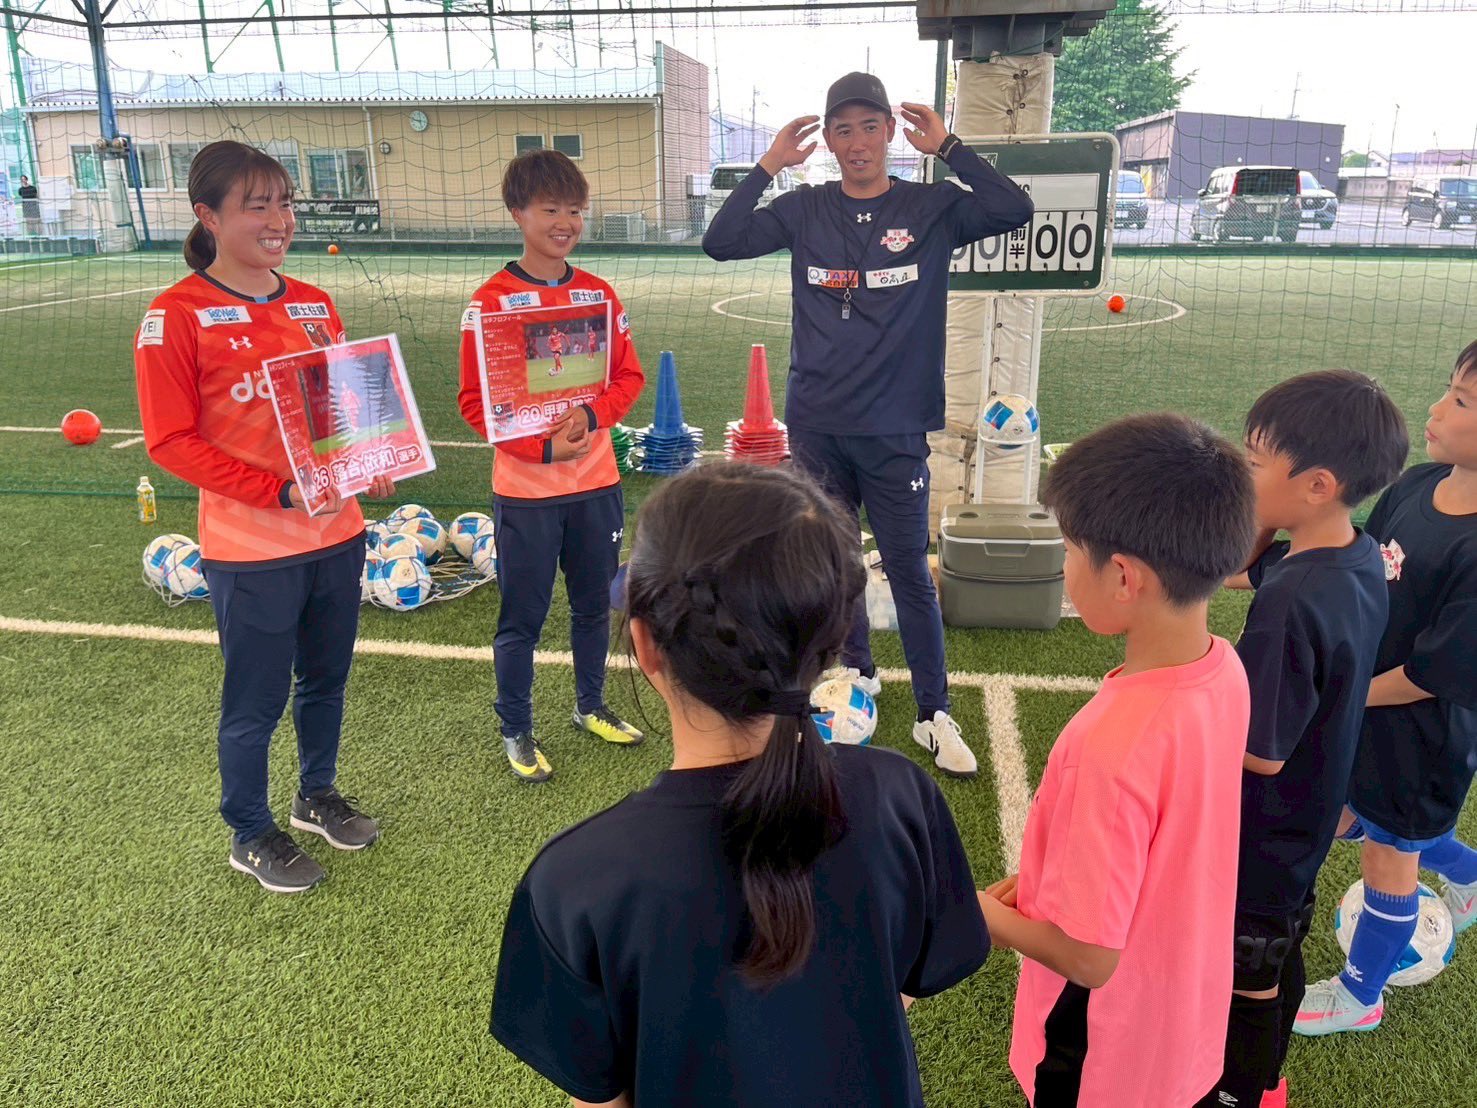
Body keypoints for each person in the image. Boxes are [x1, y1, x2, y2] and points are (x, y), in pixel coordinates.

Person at [491, 463, 990, 1107]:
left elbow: (601, 1094)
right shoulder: (901, 796)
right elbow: (906, 978)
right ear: (835, 640)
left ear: (644, 645)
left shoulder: (575, 879)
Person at [703, 72, 1034, 779]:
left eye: (868, 126)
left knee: (908, 570)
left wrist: (950, 147)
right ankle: (858, 672)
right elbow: (720, 242)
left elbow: (1012, 208)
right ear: (827, 139)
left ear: (890, 130)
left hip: (893, 432)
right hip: (818, 425)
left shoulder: (933, 206)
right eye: (841, 130)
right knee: (837, 565)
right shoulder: (803, 209)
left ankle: (931, 713)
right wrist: (766, 166)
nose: (856, 143)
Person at [979, 413, 1257, 1107]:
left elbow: (1087, 957)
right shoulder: (1223, 668)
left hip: (1103, 1056)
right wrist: (1041, 878)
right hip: (1182, 1025)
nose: (1066, 564)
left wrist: (971, 909)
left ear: (1125, 577)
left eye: (1071, 548)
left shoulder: (1110, 743)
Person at [134, 140, 386, 894]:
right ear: (207, 216)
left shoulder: (314, 302)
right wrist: (277, 493)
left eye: (284, 202)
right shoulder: (174, 315)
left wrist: (367, 458)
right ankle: (249, 830)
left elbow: (341, 408)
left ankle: (316, 796)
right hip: (252, 550)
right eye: (257, 205)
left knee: (327, 681)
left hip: (336, 535)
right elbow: (171, 441)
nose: (278, 219)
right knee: (254, 702)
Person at [1196, 372, 1407, 1108]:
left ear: (1316, 484)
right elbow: (1232, 570)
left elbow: (1259, 750)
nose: (1239, 471)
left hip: (1265, 828)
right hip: (1308, 820)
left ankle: (1240, 1091)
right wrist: (1259, 506)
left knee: (1246, 973)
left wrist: (1184, 724)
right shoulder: (1355, 554)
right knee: (1278, 948)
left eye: (1253, 462)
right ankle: (1268, 1076)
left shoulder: (1288, 600)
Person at [1296, 341, 1477, 1036]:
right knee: (1356, 816)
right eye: (1447, 389)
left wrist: (1342, 697)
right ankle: (1465, 871)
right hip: (1370, 702)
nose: (1434, 409)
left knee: (1388, 849)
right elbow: (1367, 561)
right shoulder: (1414, 486)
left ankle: (1359, 993)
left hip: (1424, 732)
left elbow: (1435, 674)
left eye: (1460, 402)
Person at [457, 149, 645, 783]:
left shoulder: (597, 293)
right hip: (526, 492)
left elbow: (627, 376)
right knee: (523, 618)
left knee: (594, 606)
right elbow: (473, 401)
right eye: (550, 209)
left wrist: (591, 420)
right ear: (519, 213)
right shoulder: (491, 302)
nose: (564, 221)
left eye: (574, 210)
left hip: (596, 485)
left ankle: (590, 704)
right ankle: (516, 727)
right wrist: (538, 450)